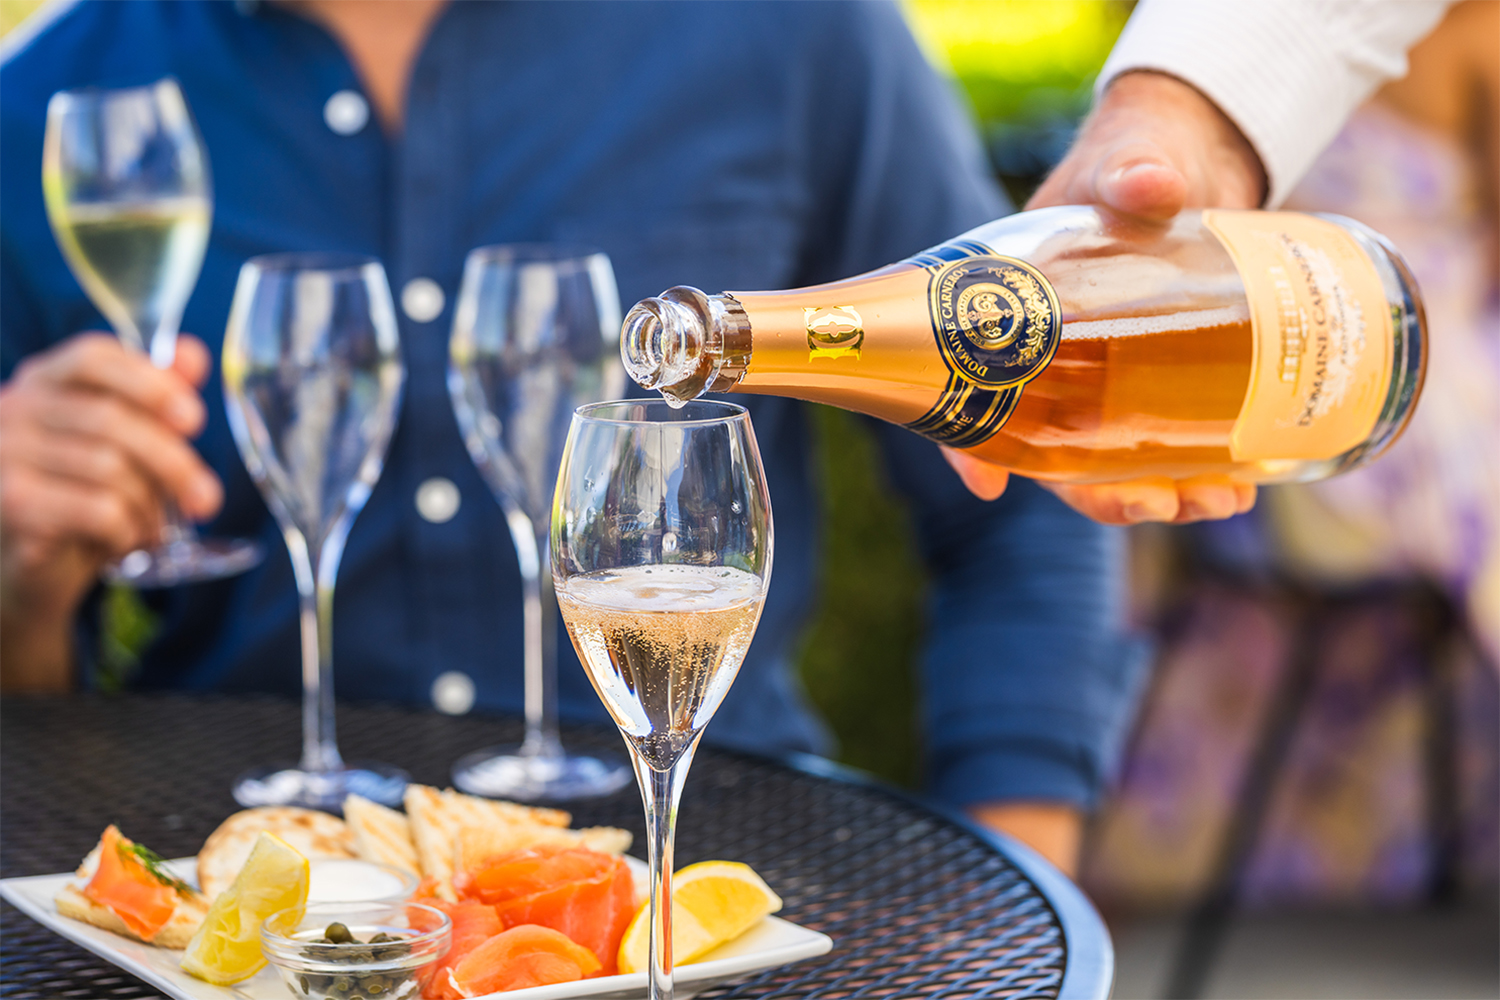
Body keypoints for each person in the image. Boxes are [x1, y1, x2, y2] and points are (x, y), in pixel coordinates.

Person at [1, 0, 1140, 874]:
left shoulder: (794, 29)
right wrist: (18, 577)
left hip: (727, 881)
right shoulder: (40, 105)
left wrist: (1016, 885)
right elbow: (35, 689)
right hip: (242, 904)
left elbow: (1023, 484)